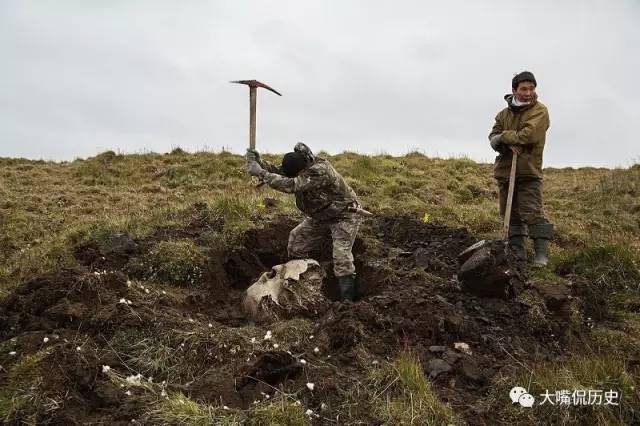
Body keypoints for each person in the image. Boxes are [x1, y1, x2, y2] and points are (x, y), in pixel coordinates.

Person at [245, 143, 363, 301]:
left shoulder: (320, 171)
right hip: (320, 216)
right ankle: (304, 279)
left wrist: (261, 173)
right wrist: (261, 163)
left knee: (341, 256)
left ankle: (347, 300)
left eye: (298, 174)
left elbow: (292, 184)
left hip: (344, 215)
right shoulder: (301, 166)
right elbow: (283, 174)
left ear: (303, 169)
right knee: (296, 241)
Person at [489, 71, 554, 266]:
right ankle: (518, 252)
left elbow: (528, 136)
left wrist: (505, 137)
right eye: (524, 89)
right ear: (514, 90)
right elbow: (493, 138)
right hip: (506, 172)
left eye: (532, 88)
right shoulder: (503, 114)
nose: (528, 93)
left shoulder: (539, 111)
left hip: (528, 171)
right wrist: (504, 141)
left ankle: (541, 255)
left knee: (532, 213)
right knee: (511, 214)